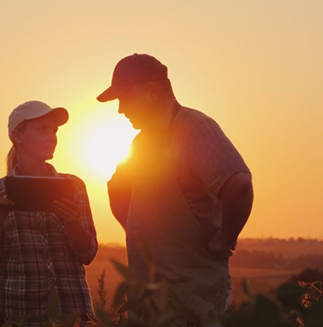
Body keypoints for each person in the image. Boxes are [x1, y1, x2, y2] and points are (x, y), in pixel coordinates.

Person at [97, 54, 254, 323]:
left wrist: (225, 240)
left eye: (124, 98)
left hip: (192, 297)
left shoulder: (196, 129)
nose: (121, 109)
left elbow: (238, 185)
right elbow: (117, 190)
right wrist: (140, 233)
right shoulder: (140, 142)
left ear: (152, 91)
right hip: (147, 296)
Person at [0, 101, 99, 326]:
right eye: (43, 130)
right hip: (15, 313)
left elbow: (88, 253)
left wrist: (72, 223)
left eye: (54, 130)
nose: (52, 137)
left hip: (71, 313)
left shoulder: (74, 186)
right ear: (17, 136)